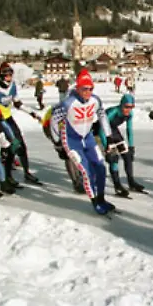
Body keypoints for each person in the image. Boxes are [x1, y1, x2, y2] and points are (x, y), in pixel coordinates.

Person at [54, 69, 116, 215]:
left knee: (101, 167)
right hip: (71, 141)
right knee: (86, 172)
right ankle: (95, 203)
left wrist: (109, 137)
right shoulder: (68, 103)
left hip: (88, 139)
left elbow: (102, 116)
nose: (88, 92)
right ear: (78, 88)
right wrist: (58, 144)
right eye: (84, 89)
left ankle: (101, 199)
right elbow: (54, 121)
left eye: (90, 89)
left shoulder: (95, 100)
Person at [0, 61, 41, 185]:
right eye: (6, 74)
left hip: (8, 119)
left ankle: (26, 173)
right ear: (1, 75)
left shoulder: (12, 86)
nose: (9, 76)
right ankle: (7, 177)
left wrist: (31, 112)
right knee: (9, 148)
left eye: (10, 74)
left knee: (21, 145)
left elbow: (17, 103)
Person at [100, 93, 145, 197]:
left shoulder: (130, 114)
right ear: (121, 105)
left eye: (131, 107)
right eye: (126, 107)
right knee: (113, 158)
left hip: (114, 131)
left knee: (127, 156)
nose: (128, 109)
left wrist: (131, 146)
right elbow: (101, 129)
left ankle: (131, 182)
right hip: (101, 133)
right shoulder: (113, 112)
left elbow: (129, 129)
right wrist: (107, 146)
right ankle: (117, 186)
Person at [41, 102, 85, 194]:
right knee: (68, 157)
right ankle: (75, 181)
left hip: (70, 131)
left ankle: (80, 176)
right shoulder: (57, 110)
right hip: (56, 132)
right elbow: (47, 127)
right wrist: (55, 141)